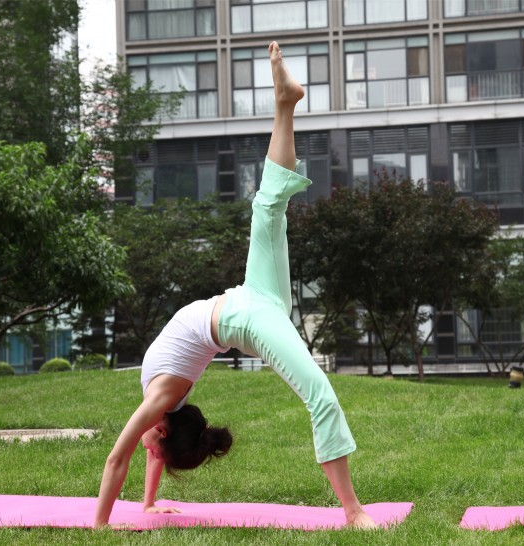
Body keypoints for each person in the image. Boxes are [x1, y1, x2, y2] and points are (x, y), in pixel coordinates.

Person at [94, 41, 376, 529]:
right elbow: (125, 456)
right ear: (161, 430)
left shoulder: (162, 404)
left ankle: (285, 102)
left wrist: (130, 513)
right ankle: (353, 512)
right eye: (156, 445)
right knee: (319, 393)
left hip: (250, 298)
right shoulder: (161, 401)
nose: (150, 451)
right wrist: (117, 515)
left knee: (269, 205)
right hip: (246, 317)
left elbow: (135, 455)